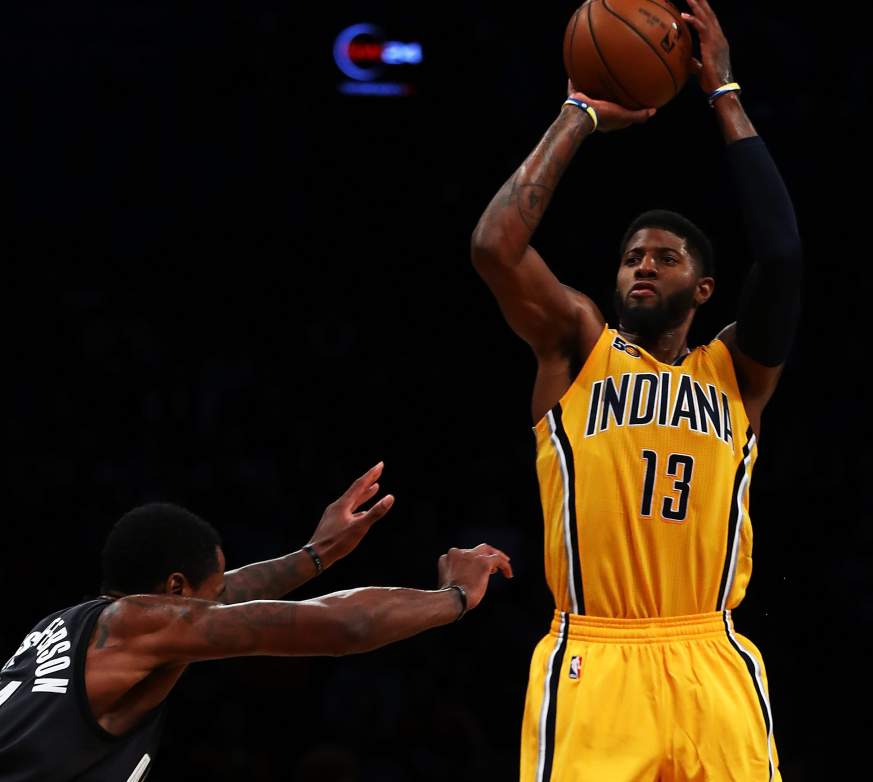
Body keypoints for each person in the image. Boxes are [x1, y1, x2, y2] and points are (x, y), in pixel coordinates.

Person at [469, 0, 802, 777]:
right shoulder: (578, 346)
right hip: (598, 655)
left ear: (705, 288)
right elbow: (494, 247)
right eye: (631, 257)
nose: (643, 265)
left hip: (713, 654)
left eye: (665, 257)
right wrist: (578, 114)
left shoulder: (736, 373)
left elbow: (783, 257)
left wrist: (723, 92)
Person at [0, 462, 512, 781]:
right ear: (175, 589)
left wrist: (316, 555)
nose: (222, 602)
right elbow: (340, 625)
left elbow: (235, 592)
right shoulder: (136, 625)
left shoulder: (64, 628)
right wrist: (456, 597)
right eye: (211, 595)